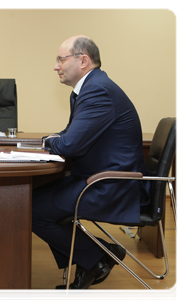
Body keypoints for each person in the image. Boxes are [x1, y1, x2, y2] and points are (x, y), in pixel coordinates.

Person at [32, 36, 150, 295]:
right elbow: (68, 136)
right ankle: (93, 258)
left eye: (61, 59)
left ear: (83, 60)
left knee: (29, 209)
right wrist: (55, 140)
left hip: (110, 186)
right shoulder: (92, 87)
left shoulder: (97, 90)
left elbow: (69, 144)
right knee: (31, 198)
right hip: (98, 179)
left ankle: (97, 257)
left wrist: (49, 141)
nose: (56, 66)